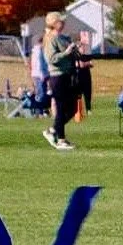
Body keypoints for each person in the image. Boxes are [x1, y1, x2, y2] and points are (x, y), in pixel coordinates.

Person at [42, 14, 79, 149]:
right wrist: (66, 53)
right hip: (57, 77)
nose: (63, 22)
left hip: (68, 75)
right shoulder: (50, 39)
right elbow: (51, 59)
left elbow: (70, 55)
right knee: (61, 107)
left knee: (72, 108)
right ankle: (61, 140)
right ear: (54, 23)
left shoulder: (63, 38)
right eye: (60, 21)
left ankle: (52, 131)